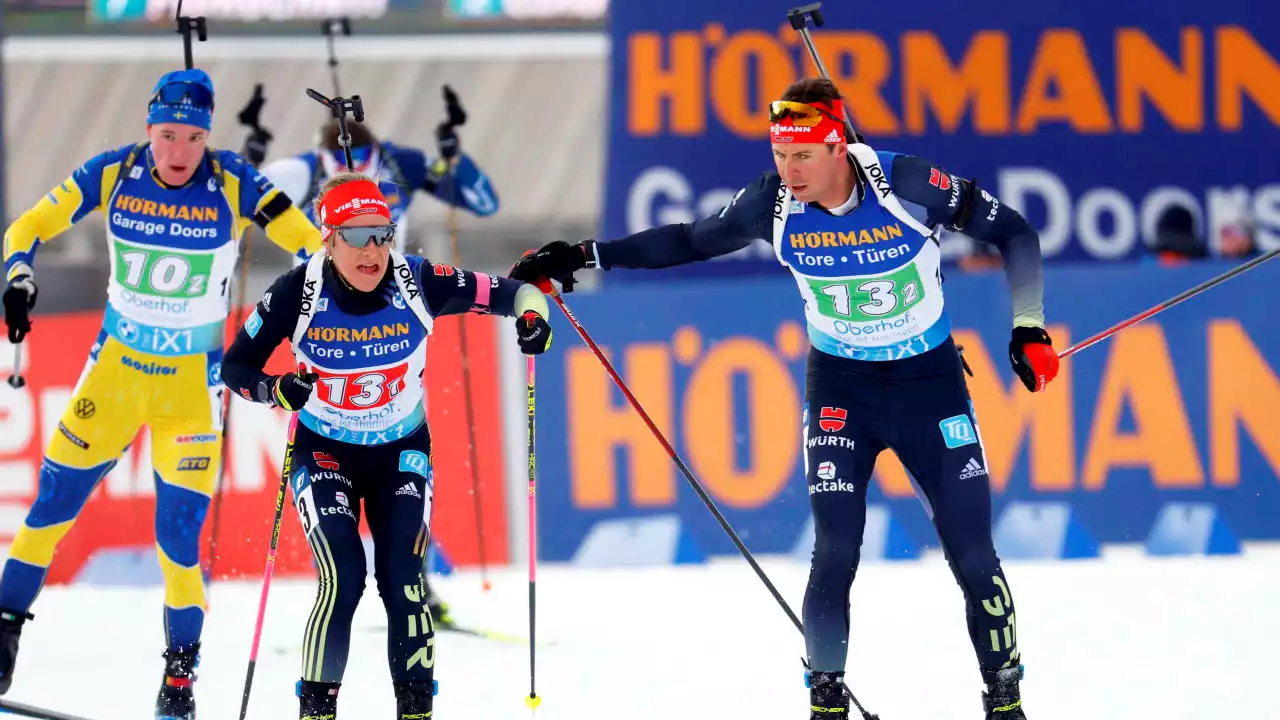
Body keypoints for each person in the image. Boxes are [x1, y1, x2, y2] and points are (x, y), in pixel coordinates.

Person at [510, 77, 1059, 720]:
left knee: (973, 551)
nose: (787, 169)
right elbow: (689, 240)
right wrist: (583, 254)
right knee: (836, 548)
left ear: (838, 147)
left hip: (929, 387)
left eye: (802, 154)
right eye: (778, 153)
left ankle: (1005, 700)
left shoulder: (907, 184)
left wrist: (1029, 324)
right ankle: (826, 704)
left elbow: (1014, 232)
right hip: (842, 390)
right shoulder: (769, 204)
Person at [0, 68, 323, 719]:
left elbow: (309, 242)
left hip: (191, 395)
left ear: (208, 136)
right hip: (115, 378)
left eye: (194, 137)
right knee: (49, 514)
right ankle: (5, 631)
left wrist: (329, 295)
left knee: (178, 543)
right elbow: (26, 226)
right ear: (149, 128)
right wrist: (17, 276)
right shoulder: (113, 172)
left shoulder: (235, 181)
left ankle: (179, 679)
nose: (179, 152)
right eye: (168, 134)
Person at [221, 173, 552, 719]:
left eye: (382, 233)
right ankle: (317, 711)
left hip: (401, 452)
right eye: (357, 236)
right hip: (324, 451)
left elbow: (516, 293)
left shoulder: (418, 280)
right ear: (328, 238)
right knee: (343, 576)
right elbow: (235, 366)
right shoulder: (296, 292)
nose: (373, 250)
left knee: (404, 578)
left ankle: (416, 711)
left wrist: (533, 318)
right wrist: (275, 388)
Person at [249, 110, 499, 256]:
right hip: (320, 292)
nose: (353, 168)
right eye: (341, 160)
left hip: (388, 288)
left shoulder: (400, 164)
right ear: (323, 156)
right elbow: (238, 190)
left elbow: (486, 206)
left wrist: (456, 160)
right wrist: (250, 160)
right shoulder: (301, 171)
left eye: (362, 158)